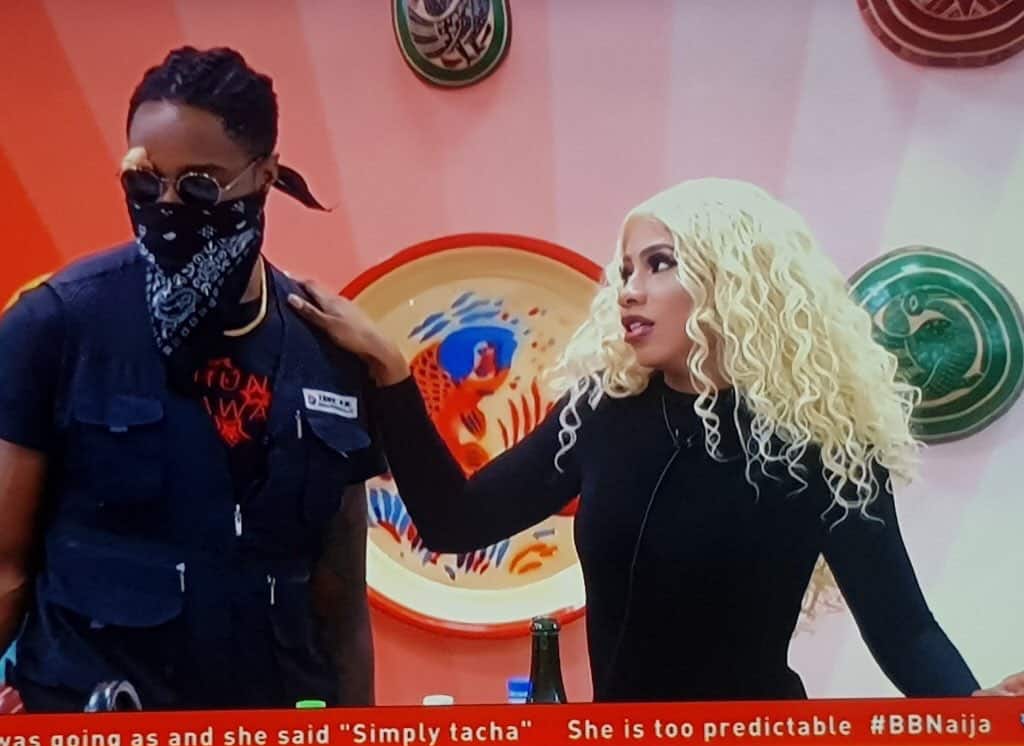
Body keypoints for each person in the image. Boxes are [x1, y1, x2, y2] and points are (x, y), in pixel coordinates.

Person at [288, 177, 1024, 702]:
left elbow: (903, 630)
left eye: (659, 264)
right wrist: (391, 372)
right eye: (626, 271)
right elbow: (455, 522)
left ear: (734, 280)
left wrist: (976, 715)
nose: (629, 290)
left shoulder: (826, 443)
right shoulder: (600, 415)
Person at [0, 46, 384, 711]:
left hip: (271, 739)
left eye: (200, 185)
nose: (169, 205)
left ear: (264, 176)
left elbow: (341, 605)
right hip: (97, 734)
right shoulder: (55, 326)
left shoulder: (327, 349)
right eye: (145, 185)